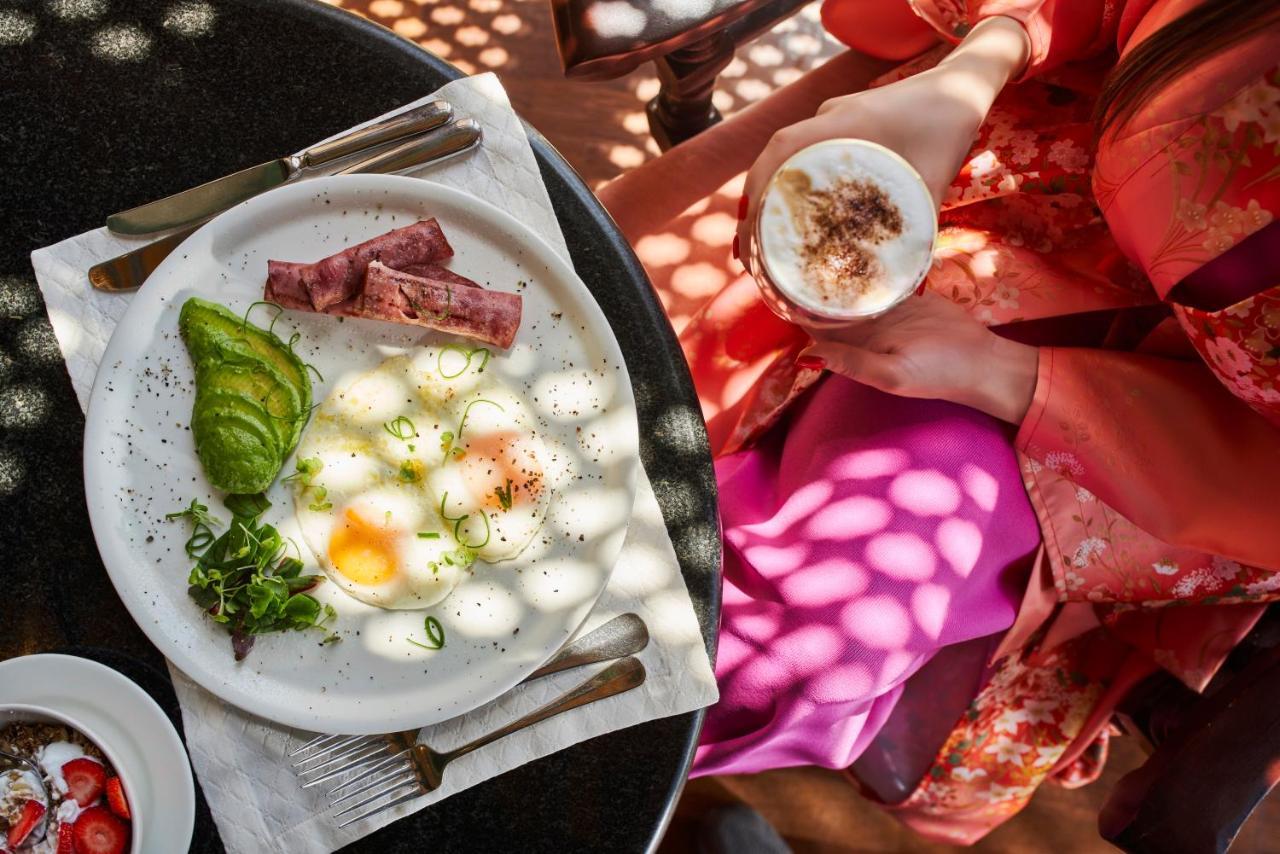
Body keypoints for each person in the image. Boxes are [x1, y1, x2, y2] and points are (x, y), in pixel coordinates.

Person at [598, 0, 1280, 843]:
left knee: (794, 649)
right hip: (1021, 141)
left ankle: (540, 766)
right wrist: (981, 62)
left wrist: (1013, 378)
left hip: (1165, 436)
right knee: (586, 334)